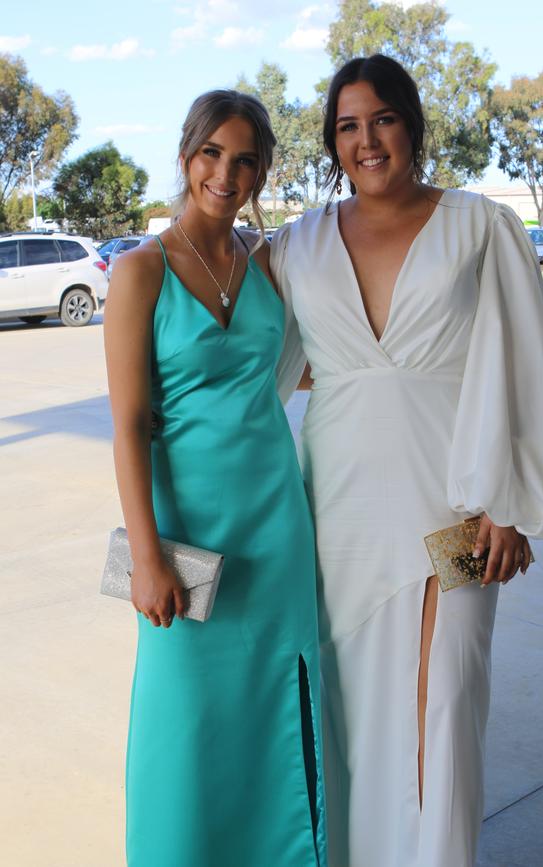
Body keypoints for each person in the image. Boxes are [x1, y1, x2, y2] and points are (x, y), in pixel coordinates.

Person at [271, 55, 543, 867]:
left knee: (445, 715)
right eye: (346, 126)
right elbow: (251, 360)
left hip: (457, 514)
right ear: (332, 142)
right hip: (337, 519)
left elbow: (523, 364)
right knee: (348, 723)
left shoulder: (480, 226)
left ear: (413, 124)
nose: (366, 141)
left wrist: (511, 503)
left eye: (383, 119)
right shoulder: (297, 243)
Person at [103, 89, 327, 867]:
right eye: (212, 154)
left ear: (261, 172)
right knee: (184, 722)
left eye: (244, 161)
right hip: (186, 534)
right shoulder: (140, 272)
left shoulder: (267, 264)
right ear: (186, 154)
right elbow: (129, 423)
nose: (225, 175)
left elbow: (302, 366)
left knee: (273, 713)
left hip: (278, 526)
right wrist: (147, 555)